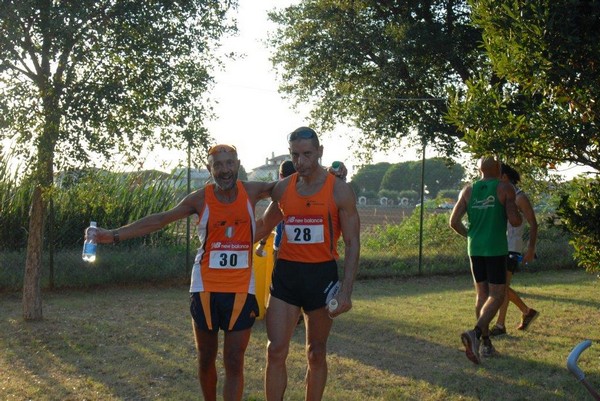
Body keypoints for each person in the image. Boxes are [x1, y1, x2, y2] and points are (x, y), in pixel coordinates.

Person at [85, 144, 279, 401]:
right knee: (206, 358)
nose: (224, 170)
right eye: (218, 165)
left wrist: (327, 178)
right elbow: (160, 219)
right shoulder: (200, 198)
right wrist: (113, 235)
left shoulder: (253, 190)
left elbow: (288, 188)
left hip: (242, 287)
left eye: (229, 163)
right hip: (205, 287)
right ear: (209, 169)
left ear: (238, 164)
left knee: (234, 360)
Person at [255, 126, 360, 401]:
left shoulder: (339, 190)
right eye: (295, 155)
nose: (300, 161)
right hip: (286, 275)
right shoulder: (283, 189)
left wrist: (346, 289)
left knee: (316, 352)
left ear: (320, 152)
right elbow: (263, 227)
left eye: (307, 154)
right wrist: (224, 236)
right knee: (275, 350)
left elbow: (352, 243)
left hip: (321, 276)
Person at [449, 156, 522, 364]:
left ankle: (486, 345)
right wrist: (518, 213)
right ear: (499, 169)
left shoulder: (468, 190)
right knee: (498, 295)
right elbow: (515, 221)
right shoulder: (505, 188)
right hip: (496, 249)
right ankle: (475, 333)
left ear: (479, 169)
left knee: (482, 294)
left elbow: (453, 222)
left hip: (475, 248)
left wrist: (471, 236)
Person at [490, 163, 539, 336]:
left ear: (504, 178)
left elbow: (534, 223)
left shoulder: (519, 197)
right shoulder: (501, 196)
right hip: (498, 246)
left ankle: (500, 326)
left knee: (501, 287)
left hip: (512, 247)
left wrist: (531, 248)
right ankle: (526, 311)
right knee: (497, 287)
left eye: (496, 176)